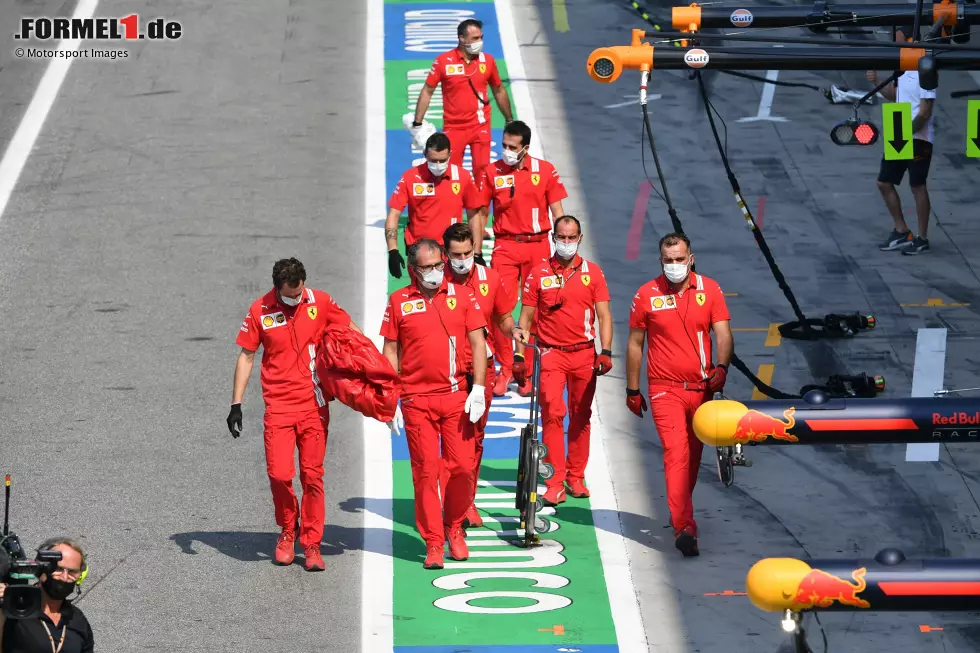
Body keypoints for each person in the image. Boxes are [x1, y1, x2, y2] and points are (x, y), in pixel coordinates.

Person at [229, 258, 362, 572]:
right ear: (278, 289)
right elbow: (246, 356)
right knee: (279, 474)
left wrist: (371, 370)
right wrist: (236, 404)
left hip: (314, 406)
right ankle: (289, 529)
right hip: (278, 408)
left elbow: (352, 333)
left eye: (300, 292)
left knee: (313, 476)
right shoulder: (260, 310)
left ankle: (312, 543)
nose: (297, 299)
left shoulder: (321, 302)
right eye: (290, 295)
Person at [381, 239, 488, 569]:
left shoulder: (464, 295)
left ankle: (453, 525)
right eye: (428, 267)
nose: (435, 272)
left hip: (456, 396)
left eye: (439, 265)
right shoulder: (399, 302)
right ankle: (433, 543)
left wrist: (479, 389)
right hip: (416, 401)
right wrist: (390, 399)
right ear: (413, 269)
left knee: (463, 468)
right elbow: (390, 352)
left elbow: (478, 343)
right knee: (426, 473)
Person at [624, 233, 733, 557]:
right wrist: (632, 389)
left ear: (691, 258)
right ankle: (684, 526)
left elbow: (723, 334)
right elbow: (634, 343)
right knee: (676, 453)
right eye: (668, 260)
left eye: (679, 259)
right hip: (664, 390)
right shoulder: (646, 295)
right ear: (661, 261)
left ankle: (679, 508)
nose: (674, 265)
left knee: (693, 460)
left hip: (701, 391)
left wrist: (722, 368)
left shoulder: (710, 290)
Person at [512, 216, 612, 505]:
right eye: (561, 237)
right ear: (553, 238)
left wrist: (605, 351)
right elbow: (526, 317)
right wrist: (520, 356)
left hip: (583, 354)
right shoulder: (538, 273)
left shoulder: (593, 273)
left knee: (581, 415)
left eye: (571, 238)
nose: (566, 243)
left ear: (580, 239)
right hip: (550, 354)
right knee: (553, 415)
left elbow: (604, 315)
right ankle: (554, 481)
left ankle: (576, 476)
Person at [476, 120, 568, 397]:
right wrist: (478, 251)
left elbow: (558, 212)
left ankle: (524, 370)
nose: (506, 151)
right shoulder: (491, 172)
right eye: (503, 145)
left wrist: (564, 247)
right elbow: (480, 214)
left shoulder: (546, 171)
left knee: (536, 312)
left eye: (512, 147)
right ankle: (505, 369)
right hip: (505, 247)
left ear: (525, 148)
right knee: (499, 310)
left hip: (538, 245)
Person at [441, 222, 520, 528]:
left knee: (474, 440)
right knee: (450, 446)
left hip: (480, 371)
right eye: (456, 254)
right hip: (445, 372)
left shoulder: (491, 278)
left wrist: (514, 330)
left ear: (475, 248)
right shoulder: (436, 279)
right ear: (446, 254)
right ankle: (447, 505)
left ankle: (466, 502)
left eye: (468, 252)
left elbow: (502, 316)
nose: (463, 259)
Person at [411, 19, 513, 184]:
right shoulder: (443, 62)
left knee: (483, 171)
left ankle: (481, 210)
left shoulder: (487, 61)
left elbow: (499, 90)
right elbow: (427, 91)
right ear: (461, 38)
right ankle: (453, 209)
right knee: (452, 174)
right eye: (474, 38)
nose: (479, 42)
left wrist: (509, 119)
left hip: (480, 126)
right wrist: (418, 122)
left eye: (480, 37)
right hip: (454, 127)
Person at [868, 25, 935, 255]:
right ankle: (901, 230)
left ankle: (922, 238)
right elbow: (896, 97)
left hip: (918, 137)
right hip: (900, 134)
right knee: (884, 182)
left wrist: (908, 130)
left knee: (917, 186)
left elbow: (925, 111)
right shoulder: (903, 68)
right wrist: (876, 81)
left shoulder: (926, 68)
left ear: (909, 37)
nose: (891, 38)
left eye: (895, 34)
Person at [386, 133, 483, 278]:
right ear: (425, 154)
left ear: (450, 154)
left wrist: (477, 252)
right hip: (420, 252)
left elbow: (474, 215)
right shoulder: (410, 178)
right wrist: (393, 250)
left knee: (453, 298)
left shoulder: (463, 177)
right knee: (421, 298)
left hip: (451, 252)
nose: (438, 165)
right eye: (433, 160)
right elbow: (394, 214)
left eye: (442, 160)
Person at [0, 538, 95, 653]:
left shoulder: (78, 620)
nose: (64, 577)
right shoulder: (14, 607)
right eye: (58, 569)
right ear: (40, 569)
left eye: (72, 572)